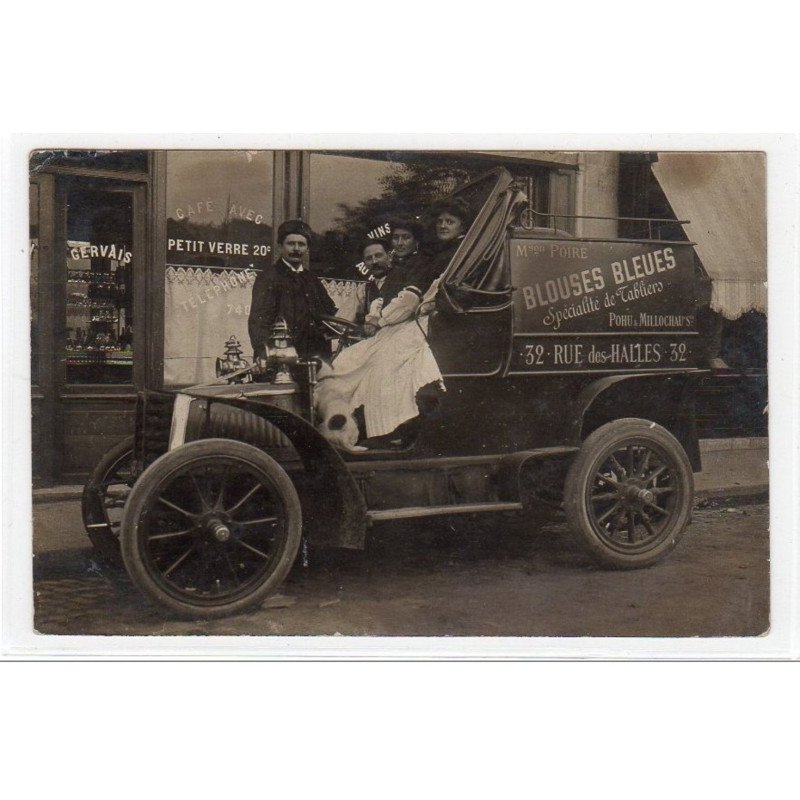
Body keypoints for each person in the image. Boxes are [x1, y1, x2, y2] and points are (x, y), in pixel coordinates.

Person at [315, 199, 473, 450]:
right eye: (440, 221)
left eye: (450, 222)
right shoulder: (414, 262)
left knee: (386, 366)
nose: (443, 226)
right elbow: (387, 299)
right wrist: (375, 319)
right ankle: (342, 424)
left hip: (418, 323)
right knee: (348, 360)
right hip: (400, 323)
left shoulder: (448, 257)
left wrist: (382, 321)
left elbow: (414, 298)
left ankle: (391, 429)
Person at [248, 219, 336, 361]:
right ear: (280, 246)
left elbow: (330, 314)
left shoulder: (312, 279)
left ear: (307, 249)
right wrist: (266, 354)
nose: (296, 249)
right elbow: (259, 322)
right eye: (291, 244)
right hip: (283, 357)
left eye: (301, 244)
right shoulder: (268, 277)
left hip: (314, 358)